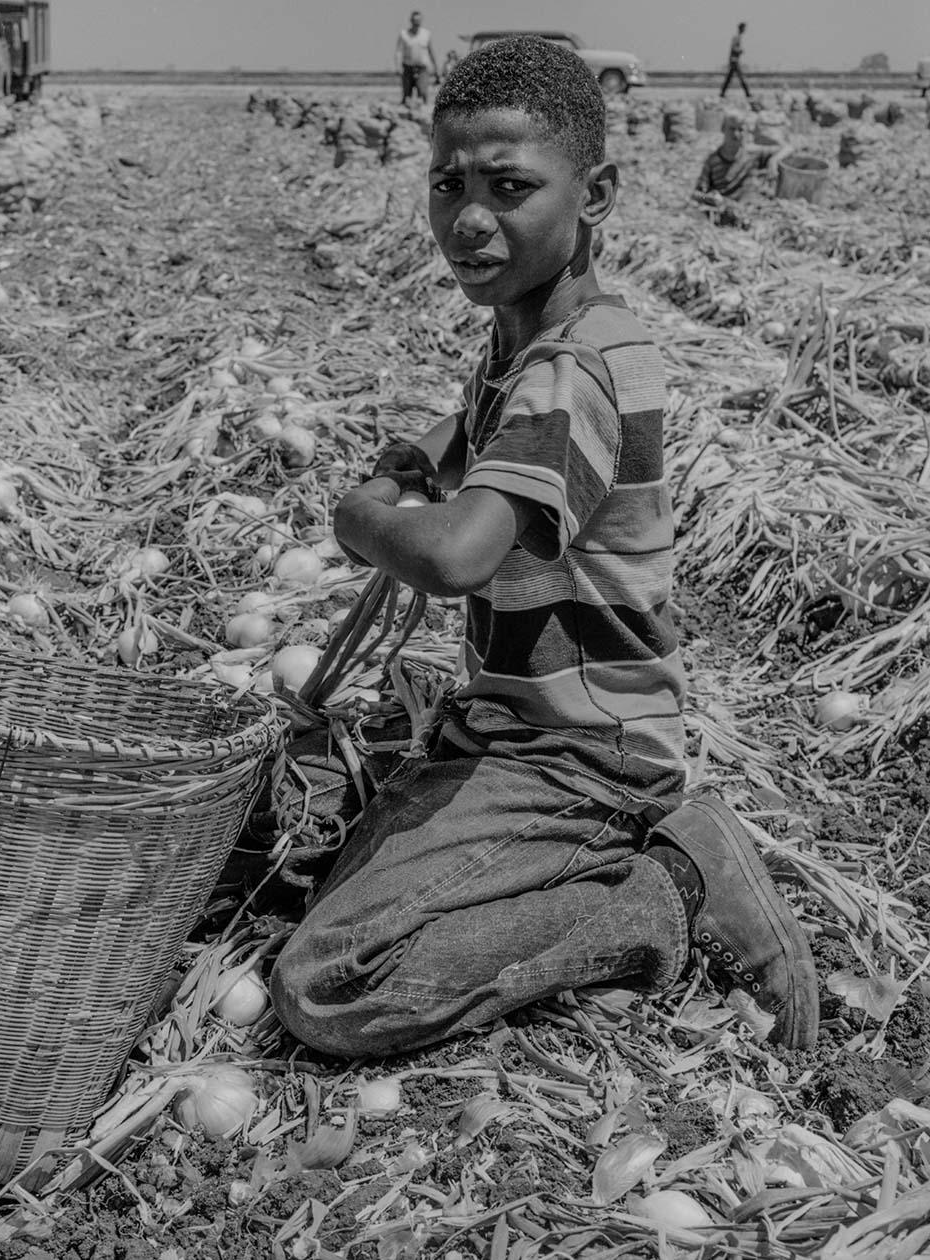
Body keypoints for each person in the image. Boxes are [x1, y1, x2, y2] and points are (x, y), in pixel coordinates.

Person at [269, 35, 818, 1059]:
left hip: (583, 755)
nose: (469, 219)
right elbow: (476, 433)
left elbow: (456, 559)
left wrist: (362, 518)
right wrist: (420, 454)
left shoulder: (574, 370)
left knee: (329, 983)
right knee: (319, 876)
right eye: (447, 185)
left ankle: (668, 892)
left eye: (510, 186)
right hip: (516, 729)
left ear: (596, 191)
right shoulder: (536, 337)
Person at [694, 111, 789, 226]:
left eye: (741, 129)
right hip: (728, 214)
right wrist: (710, 198)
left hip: (753, 212)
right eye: (732, 129)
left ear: (747, 132)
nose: (736, 134)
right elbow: (697, 194)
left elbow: (788, 148)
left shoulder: (753, 154)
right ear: (723, 129)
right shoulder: (713, 161)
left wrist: (773, 161)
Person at [395, 10, 438, 106]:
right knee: (406, 95)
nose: (417, 23)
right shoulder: (403, 34)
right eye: (415, 20)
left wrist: (436, 68)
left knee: (423, 92)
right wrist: (398, 66)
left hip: (422, 68)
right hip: (407, 67)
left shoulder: (426, 34)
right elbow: (399, 51)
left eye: (419, 20)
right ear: (411, 21)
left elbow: (431, 52)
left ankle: (425, 114)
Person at [721, 22, 751, 99]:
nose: (745, 30)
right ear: (741, 28)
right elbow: (733, 48)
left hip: (734, 61)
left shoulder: (738, 37)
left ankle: (722, 93)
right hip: (734, 61)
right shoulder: (736, 38)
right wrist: (740, 50)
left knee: (729, 78)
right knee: (741, 78)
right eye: (744, 28)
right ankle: (748, 93)